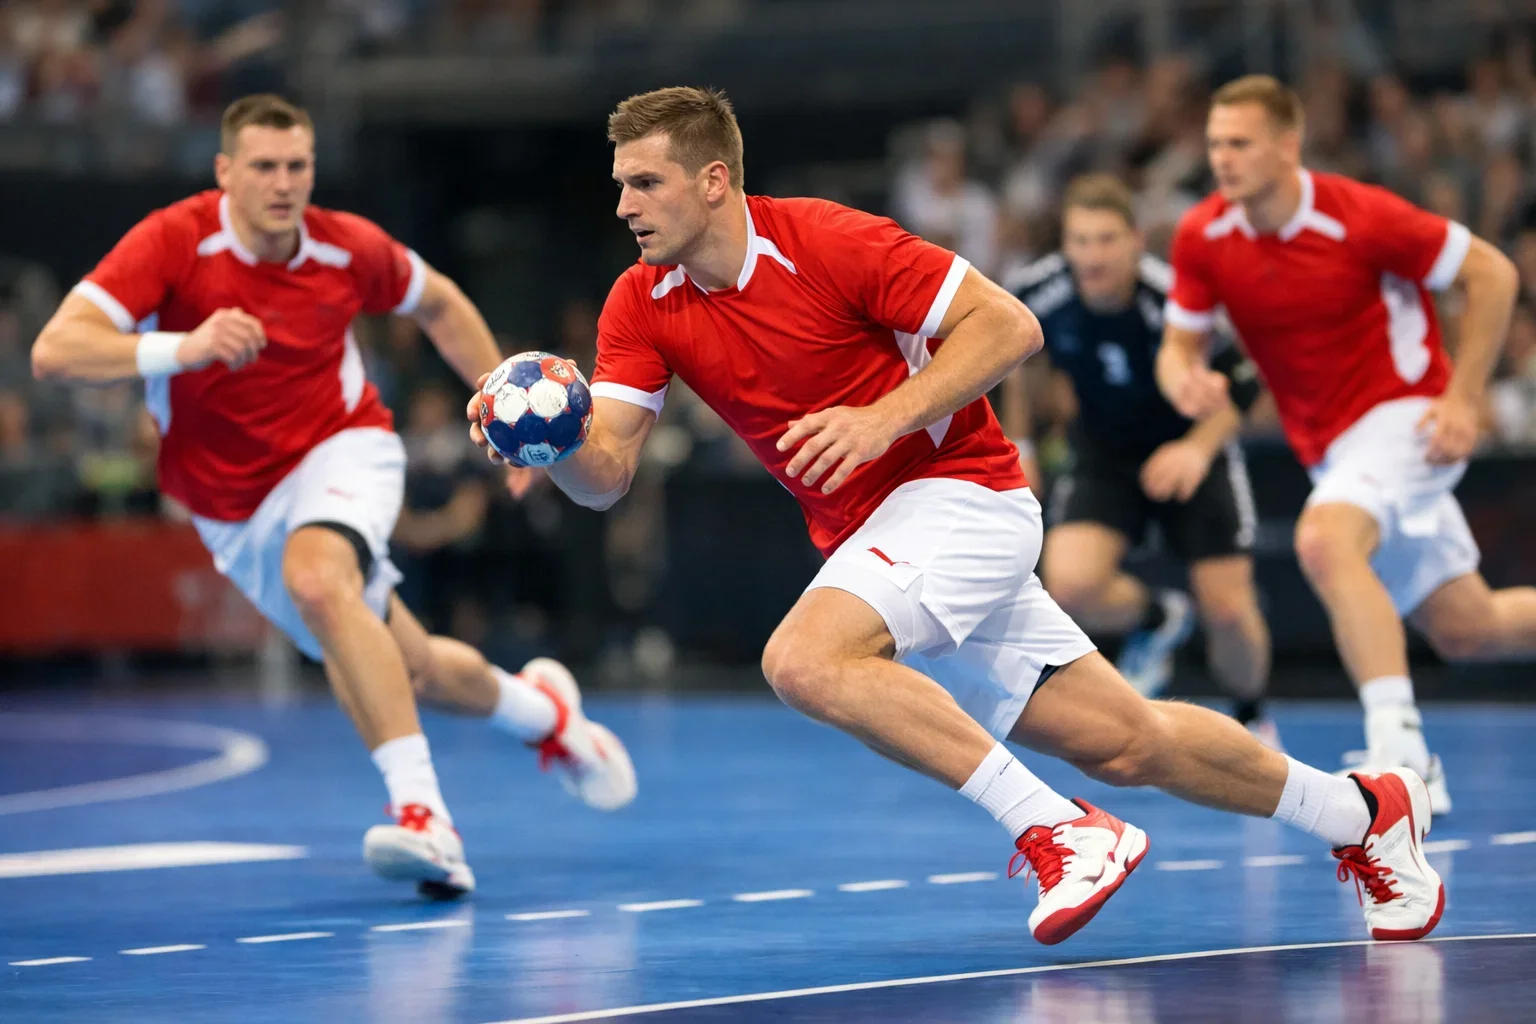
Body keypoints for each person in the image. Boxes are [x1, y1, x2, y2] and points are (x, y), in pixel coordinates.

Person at [468, 86, 1444, 944]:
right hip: (884, 536)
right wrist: (551, 449)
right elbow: (610, 475)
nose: (623, 204)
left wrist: (881, 418)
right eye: (621, 184)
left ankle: (1061, 828)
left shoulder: (829, 239)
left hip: (966, 496)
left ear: (714, 180)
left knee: (803, 659)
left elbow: (1007, 326)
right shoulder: (640, 303)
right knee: (1127, 740)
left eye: (645, 183)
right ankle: (1363, 811)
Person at [31, 94, 636, 900]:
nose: (283, 184)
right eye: (264, 167)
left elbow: (441, 302)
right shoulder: (175, 241)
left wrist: (500, 407)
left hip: (340, 447)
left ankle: (426, 819)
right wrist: (185, 345)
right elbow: (56, 350)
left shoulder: (346, 245)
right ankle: (547, 716)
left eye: (297, 166)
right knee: (410, 667)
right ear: (224, 173)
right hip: (232, 509)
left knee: (319, 579)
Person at [1158, 74, 1536, 817]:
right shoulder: (1202, 233)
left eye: (1240, 143)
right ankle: (1405, 748)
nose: (1223, 158)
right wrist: (1183, 382)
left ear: (1287, 146)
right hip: (1331, 449)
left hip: (1409, 417)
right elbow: (1180, 347)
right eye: (1214, 144)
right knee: (1468, 628)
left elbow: (1492, 271)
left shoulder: (1360, 216)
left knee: (1325, 540)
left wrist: (1465, 397)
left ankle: (1402, 758)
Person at [1000, 173, 1276, 748]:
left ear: (1134, 242)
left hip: (1190, 448)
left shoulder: (1174, 300)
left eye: (1106, 240)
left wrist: (1196, 449)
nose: (1092, 256)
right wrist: (1022, 443)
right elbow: (1018, 361)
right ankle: (1157, 616)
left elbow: (1248, 384)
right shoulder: (1039, 289)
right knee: (1070, 586)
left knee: (1227, 609)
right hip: (1102, 451)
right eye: (1080, 241)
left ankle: (1252, 714)